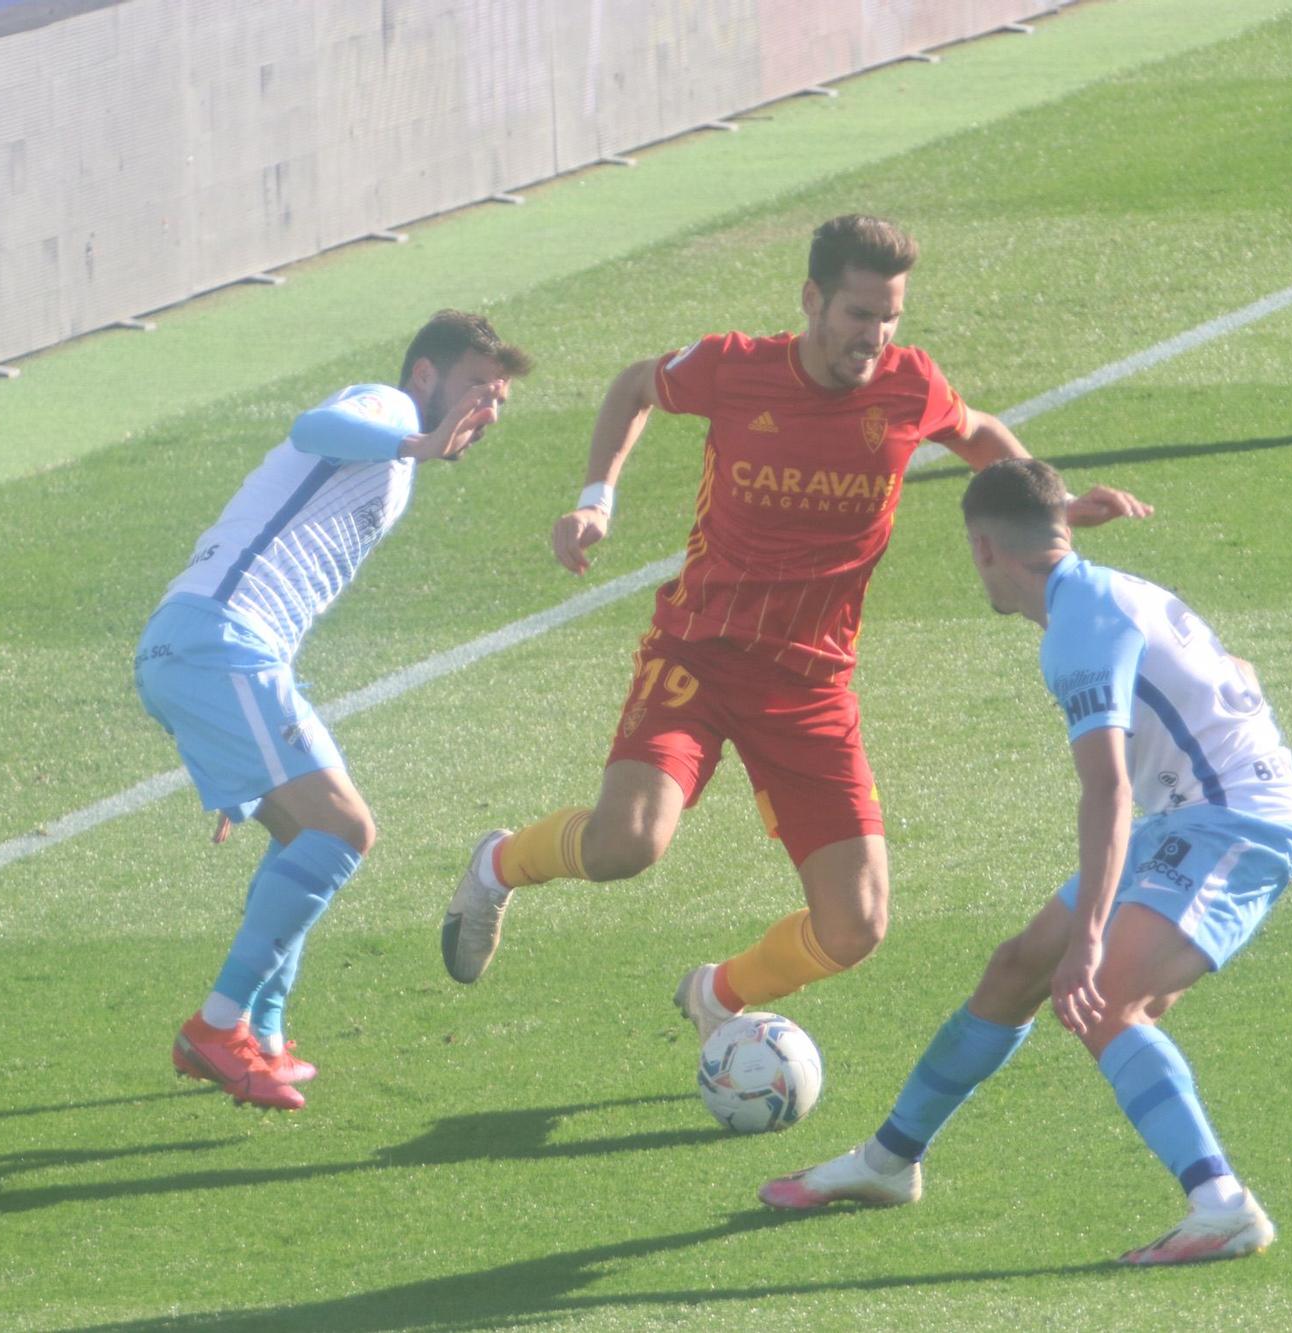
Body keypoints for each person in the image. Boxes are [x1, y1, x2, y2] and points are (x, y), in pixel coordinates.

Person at [439, 215, 1148, 1044]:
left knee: (857, 925)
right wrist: (597, 498)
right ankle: (497, 866)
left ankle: (718, 996)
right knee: (626, 844)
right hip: (700, 655)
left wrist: (1050, 508)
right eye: (858, 314)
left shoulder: (909, 385)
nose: (876, 338)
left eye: (891, 318)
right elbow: (635, 384)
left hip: (811, 684)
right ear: (812, 299)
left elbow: (979, 432)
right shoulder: (735, 370)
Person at [758, 458, 1292, 1267]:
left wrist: (1090, 933)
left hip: (1229, 820)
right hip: (1197, 813)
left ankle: (1222, 1203)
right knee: (1017, 969)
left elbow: (1108, 792)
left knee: (1105, 998)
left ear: (983, 550)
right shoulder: (1108, 591)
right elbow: (1239, 675)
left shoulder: (1079, 637)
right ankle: (888, 1161)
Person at [137, 310, 531, 1110]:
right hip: (218, 643)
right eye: (473, 393)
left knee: (301, 836)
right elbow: (314, 424)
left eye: (496, 403)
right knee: (346, 829)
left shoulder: (398, 458)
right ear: (424, 376)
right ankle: (214, 1029)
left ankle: (267, 1033)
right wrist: (416, 440)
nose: (482, 415)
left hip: (219, 652)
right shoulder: (385, 410)